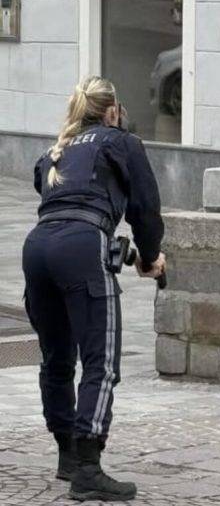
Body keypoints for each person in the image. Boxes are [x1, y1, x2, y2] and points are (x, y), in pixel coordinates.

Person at [22, 76, 165, 502]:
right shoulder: (122, 141)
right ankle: (88, 468)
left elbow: (56, 196)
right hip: (82, 250)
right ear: (112, 111)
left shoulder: (54, 151)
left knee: (57, 358)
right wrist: (153, 256)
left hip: (37, 248)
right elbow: (146, 207)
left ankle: (67, 455)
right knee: (101, 363)